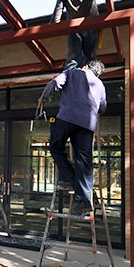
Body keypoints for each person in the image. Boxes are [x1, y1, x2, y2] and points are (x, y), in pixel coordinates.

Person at [38, 59, 106, 216]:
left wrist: (43, 97)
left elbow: (54, 84)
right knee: (84, 160)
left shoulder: (72, 73)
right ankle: (84, 201)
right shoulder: (100, 85)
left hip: (67, 118)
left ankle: (69, 179)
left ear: (87, 66)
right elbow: (103, 107)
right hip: (87, 124)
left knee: (55, 147)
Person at [51, 0, 113, 67]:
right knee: (73, 57)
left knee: (90, 56)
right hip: (74, 29)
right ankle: (71, 75)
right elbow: (58, 10)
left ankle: (89, 75)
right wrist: (53, 27)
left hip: (91, 26)